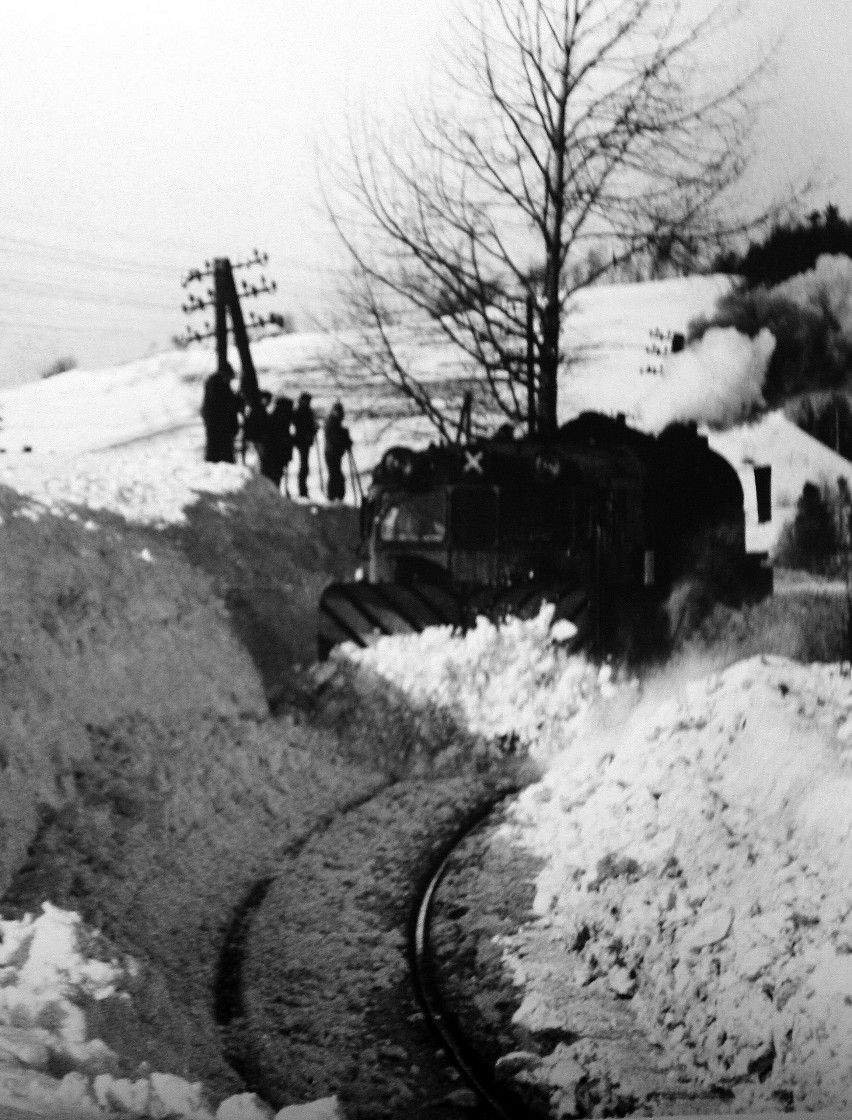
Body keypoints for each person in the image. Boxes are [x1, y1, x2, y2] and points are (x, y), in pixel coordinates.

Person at [201, 363, 240, 463]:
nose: (229, 380)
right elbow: (224, 404)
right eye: (228, 377)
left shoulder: (219, 385)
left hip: (219, 424)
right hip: (217, 424)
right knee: (217, 449)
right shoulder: (216, 386)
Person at [259, 396, 295, 493]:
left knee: (275, 477)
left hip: (276, 455)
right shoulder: (277, 420)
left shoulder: (279, 419)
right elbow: (277, 438)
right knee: (272, 477)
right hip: (274, 455)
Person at [323, 400, 353, 501]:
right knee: (335, 474)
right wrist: (345, 438)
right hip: (331, 452)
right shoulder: (331, 422)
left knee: (336, 474)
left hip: (335, 453)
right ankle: (334, 496)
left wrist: (345, 436)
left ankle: (337, 495)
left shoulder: (335, 422)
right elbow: (335, 438)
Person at [293, 392, 318, 498]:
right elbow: (302, 427)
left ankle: (303, 490)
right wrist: (312, 429)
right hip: (302, 441)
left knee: (304, 466)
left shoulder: (305, 411)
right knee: (304, 466)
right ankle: (302, 490)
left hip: (305, 441)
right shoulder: (301, 412)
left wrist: (313, 429)